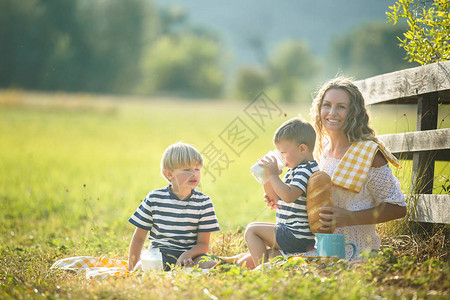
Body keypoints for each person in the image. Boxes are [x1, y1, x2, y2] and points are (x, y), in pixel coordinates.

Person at [310, 76, 407, 259]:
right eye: (327, 105)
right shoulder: (321, 147)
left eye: (341, 107)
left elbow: (398, 208)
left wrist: (350, 217)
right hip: (322, 249)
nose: (332, 112)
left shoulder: (369, 154)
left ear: (354, 112)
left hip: (358, 252)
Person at [127, 142, 220, 271]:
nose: (194, 173)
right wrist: (131, 268)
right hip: (160, 254)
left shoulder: (204, 202)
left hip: (191, 256)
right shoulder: (154, 198)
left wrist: (187, 254)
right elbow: (139, 237)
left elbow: (203, 244)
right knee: (141, 268)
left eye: (197, 169)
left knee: (211, 266)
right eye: (187, 170)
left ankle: (187, 270)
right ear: (170, 174)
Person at [244, 118, 319, 268]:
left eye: (283, 152)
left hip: (296, 234)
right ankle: (266, 266)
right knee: (263, 255)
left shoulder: (306, 169)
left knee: (252, 230)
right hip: (290, 232)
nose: (281, 157)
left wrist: (273, 176)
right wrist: (267, 177)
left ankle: (264, 270)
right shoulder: (294, 170)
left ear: (302, 149)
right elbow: (276, 198)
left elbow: (289, 196)